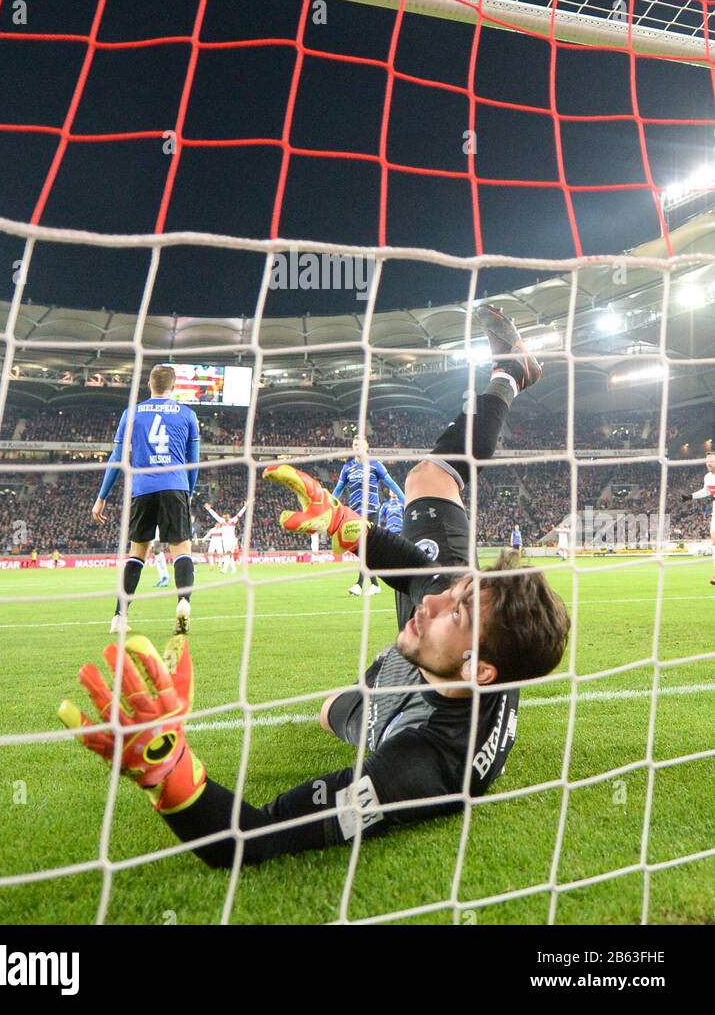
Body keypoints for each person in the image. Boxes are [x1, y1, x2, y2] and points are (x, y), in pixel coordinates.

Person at [61, 311, 569, 866]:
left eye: (457, 609)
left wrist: (170, 773)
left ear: (479, 670)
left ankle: (512, 374)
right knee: (431, 478)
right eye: (459, 589)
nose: (433, 599)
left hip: (401, 710)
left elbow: (251, 839)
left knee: (332, 712)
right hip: (444, 673)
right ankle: (509, 374)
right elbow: (418, 575)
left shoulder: (418, 767)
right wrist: (342, 525)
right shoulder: (463, 620)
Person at [92, 364, 199, 636]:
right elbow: (193, 463)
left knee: (137, 553)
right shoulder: (187, 414)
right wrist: (189, 494)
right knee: (181, 550)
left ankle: (119, 616)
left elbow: (116, 460)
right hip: (175, 486)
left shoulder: (132, 413)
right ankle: (184, 603)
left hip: (142, 489)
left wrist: (101, 496)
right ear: (173, 387)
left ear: (149, 385)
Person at [334, 436, 403, 596]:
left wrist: (404, 500)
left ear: (367, 446)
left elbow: (391, 483)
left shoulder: (375, 465)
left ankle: (359, 585)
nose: (357, 446)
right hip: (354, 513)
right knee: (364, 549)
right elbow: (338, 489)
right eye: (354, 444)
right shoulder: (347, 467)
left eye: (360, 444)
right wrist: (329, 504)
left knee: (364, 546)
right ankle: (374, 584)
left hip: (371, 511)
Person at [681, 452, 715, 583]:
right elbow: (706, 491)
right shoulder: (708, 477)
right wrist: (690, 496)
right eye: (707, 461)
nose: (708, 463)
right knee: (713, 540)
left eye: (711, 460)